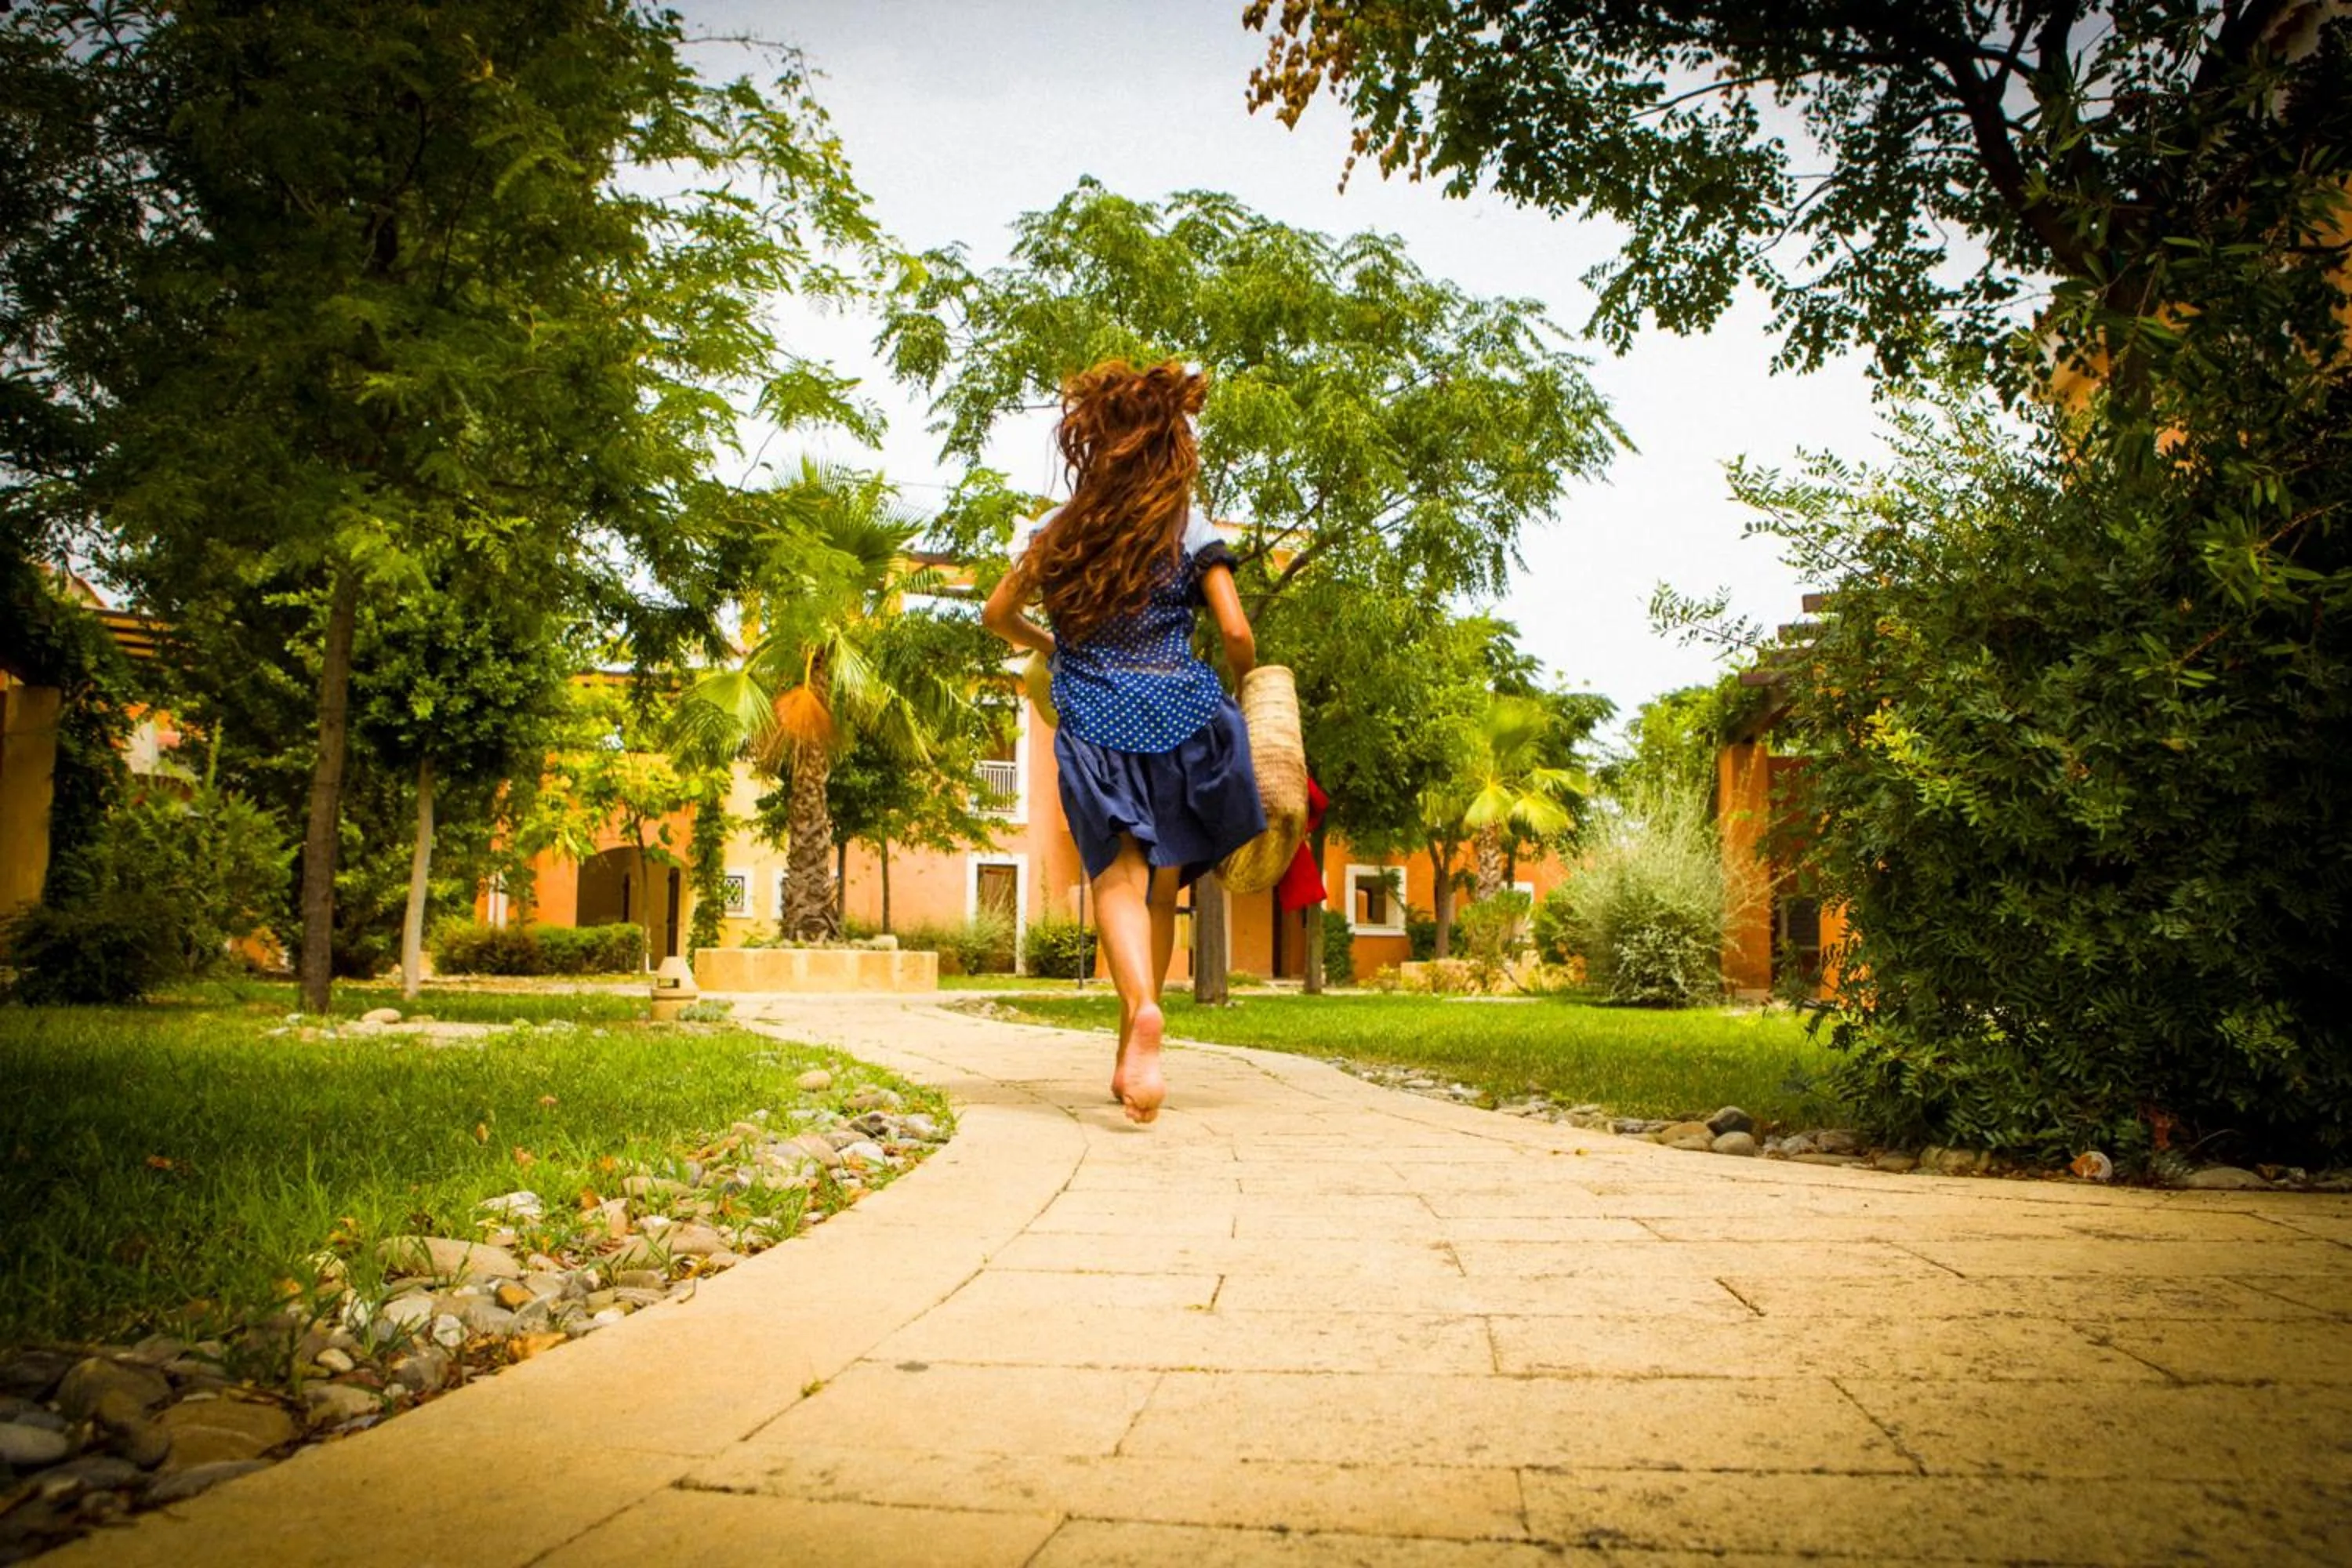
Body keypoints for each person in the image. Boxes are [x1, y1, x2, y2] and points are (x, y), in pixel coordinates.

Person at [983, 358, 1264, 1124]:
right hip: (1182, 710)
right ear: (1169, 442)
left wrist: (1055, 641)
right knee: (1164, 887)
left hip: (1095, 713)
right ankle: (1139, 1044)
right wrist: (1249, 681)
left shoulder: (1062, 527)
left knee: (1117, 878)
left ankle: (1138, 1014)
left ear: (1093, 442)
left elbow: (997, 613)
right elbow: (1235, 629)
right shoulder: (1188, 524)